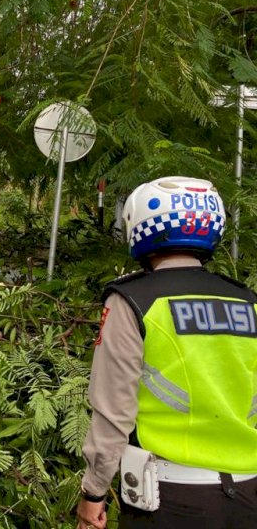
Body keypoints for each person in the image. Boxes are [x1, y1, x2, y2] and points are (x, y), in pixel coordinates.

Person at [77, 176, 257, 529]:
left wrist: (93, 492)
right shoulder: (248, 302)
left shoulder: (134, 301)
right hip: (250, 493)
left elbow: (114, 410)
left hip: (171, 498)